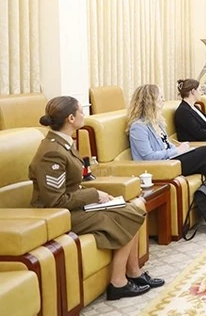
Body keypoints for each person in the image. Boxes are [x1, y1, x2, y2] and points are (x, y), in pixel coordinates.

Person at [30, 96, 165, 300]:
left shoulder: (63, 143)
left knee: (133, 209)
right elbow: (55, 200)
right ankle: (118, 283)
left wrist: (99, 195)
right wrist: (95, 195)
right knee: (126, 216)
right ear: (70, 118)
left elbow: (72, 185)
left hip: (72, 206)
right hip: (58, 214)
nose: (84, 114)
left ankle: (134, 272)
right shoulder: (52, 151)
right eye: (81, 111)